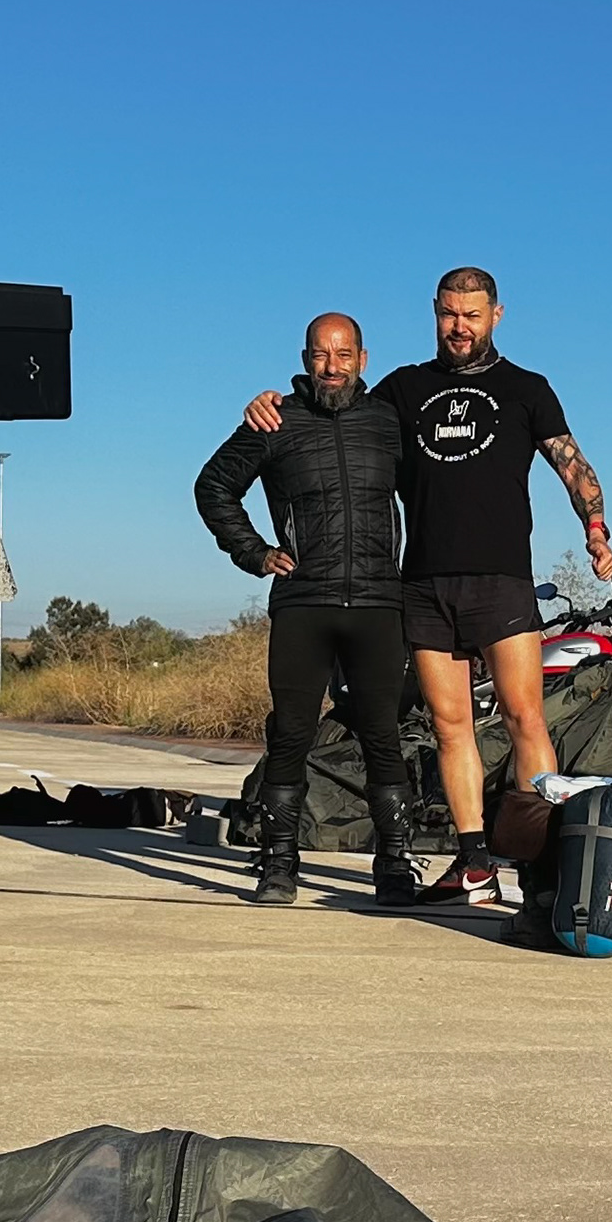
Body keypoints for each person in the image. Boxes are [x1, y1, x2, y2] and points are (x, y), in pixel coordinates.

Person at [244, 265, 612, 908]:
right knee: (451, 726)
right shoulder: (403, 389)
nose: (460, 327)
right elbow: (336, 409)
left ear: (496, 315)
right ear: (435, 313)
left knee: (527, 716)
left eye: (472, 315)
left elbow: (571, 460)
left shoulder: (527, 389)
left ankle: (539, 860)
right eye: (449, 314)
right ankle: (474, 864)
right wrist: (274, 401)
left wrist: (596, 527)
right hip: (420, 584)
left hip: (501, 581)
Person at [194, 312, 416, 905]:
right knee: (291, 735)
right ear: (304, 357)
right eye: (321, 355)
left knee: (382, 737)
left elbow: (437, 491)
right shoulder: (275, 421)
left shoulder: (390, 422)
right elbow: (212, 486)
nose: (333, 367)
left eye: (344, 355)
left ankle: (393, 866)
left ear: (362, 360)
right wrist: (254, 552)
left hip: (377, 603)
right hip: (302, 604)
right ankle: (279, 863)